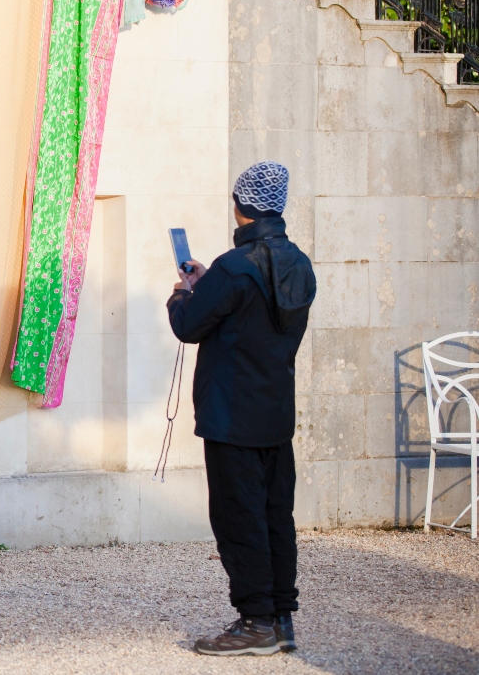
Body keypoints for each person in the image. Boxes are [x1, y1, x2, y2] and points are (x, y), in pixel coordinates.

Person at [166, 162, 316, 657]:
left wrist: (183, 291)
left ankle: (255, 621)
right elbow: (251, 314)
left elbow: (189, 325)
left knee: (239, 516)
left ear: (241, 205)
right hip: (274, 411)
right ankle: (281, 618)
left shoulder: (234, 266)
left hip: (231, 413)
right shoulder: (299, 264)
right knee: (275, 513)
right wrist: (210, 282)